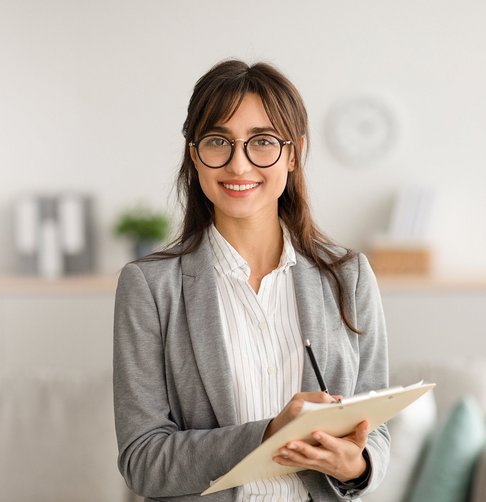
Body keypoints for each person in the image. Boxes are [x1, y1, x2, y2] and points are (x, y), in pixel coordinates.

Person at [113, 59, 390, 502]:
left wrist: (355, 466)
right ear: (194, 153)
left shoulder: (348, 276)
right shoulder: (149, 286)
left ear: (294, 152)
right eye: (218, 141)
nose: (239, 165)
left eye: (262, 142)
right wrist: (269, 434)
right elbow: (143, 461)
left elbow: (375, 430)